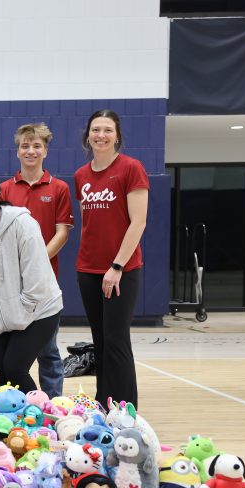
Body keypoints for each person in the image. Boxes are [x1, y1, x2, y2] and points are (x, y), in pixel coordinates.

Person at [74, 109, 148, 408]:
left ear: (117, 135)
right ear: (87, 135)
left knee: (117, 340)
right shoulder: (81, 175)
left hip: (121, 269)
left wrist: (117, 266)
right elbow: (86, 224)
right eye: (95, 130)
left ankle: (126, 407)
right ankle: (104, 402)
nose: (100, 135)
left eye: (107, 129)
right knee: (100, 341)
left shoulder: (131, 168)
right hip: (88, 269)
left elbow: (138, 222)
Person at [0, 172, 64, 393]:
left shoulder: (22, 224)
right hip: (0, 318)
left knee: (14, 369)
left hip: (40, 312)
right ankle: (9, 423)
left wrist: (14, 318)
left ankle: (43, 414)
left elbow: (37, 280)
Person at [0, 123, 73, 397]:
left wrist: (35, 263)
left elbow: (62, 232)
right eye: (25, 146)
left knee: (49, 350)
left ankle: (54, 405)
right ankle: (16, 401)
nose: (30, 151)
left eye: (36, 146)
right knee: (13, 349)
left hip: (44, 283)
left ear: (46, 151)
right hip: (12, 284)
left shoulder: (59, 188)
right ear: (17, 151)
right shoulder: (5, 189)